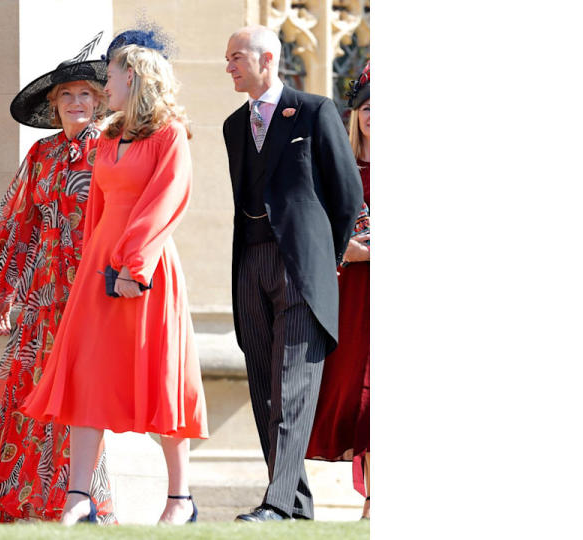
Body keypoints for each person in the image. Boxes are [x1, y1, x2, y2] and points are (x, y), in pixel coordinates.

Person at [20, 28, 209, 526]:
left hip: (143, 270)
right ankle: (78, 497)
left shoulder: (170, 134)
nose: (105, 85)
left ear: (135, 77)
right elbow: (96, 212)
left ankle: (180, 499)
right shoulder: (106, 136)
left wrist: (133, 265)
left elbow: (165, 202)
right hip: (101, 269)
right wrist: (93, 268)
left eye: (110, 76)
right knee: (87, 377)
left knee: (157, 377)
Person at [0, 32, 117, 523]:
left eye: (85, 95)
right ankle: (22, 505)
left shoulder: (115, 150)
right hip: (43, 296)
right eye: (66, 96)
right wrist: (6, 291)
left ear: (99, 102)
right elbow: (15, 224)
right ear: (54, 105)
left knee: (82, 397)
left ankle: (78, 503)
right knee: (30, 393)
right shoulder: (42, 155)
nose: (76, 103)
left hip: (94, 295)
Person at [222, 26, 364, 522]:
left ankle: (277, 502)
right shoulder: (232, 126)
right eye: (226, 59)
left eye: (236, 57)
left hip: (302, 269)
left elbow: (347, 195)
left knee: (293, 385)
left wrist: (326, 257)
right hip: (251, 265)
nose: (229, 66)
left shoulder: (315, 110)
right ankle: (296, 504)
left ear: (267, 59)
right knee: (264, 385)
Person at [306, 62, 371, 520]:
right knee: (354, 396)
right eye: (367, 107)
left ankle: (375, 504)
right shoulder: (338, 169)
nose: (375, 116)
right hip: (349, 299)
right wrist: (339, 248)